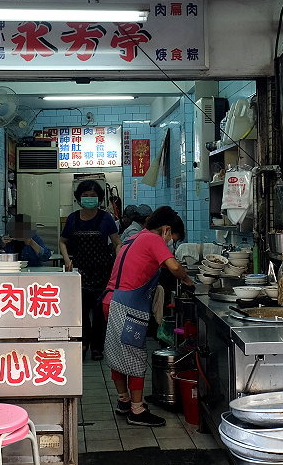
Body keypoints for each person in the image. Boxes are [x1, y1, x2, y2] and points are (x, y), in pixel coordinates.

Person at [102, 206, 195, 427]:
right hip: (128, 306)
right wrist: (189, 281)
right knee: (135, 356)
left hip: (110, 300)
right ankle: (137, 410)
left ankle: (124, 400)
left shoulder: (134, 238)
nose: (172, 243)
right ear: (166, 229)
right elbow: (174, 267)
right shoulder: (154, 241)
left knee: (118, 354)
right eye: (173, 238)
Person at [59, 180, 120, 360]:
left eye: (93, 196)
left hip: (103, 271)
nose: (89, 199)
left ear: (99, 198)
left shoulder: (106, 218)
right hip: (80, 272)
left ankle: (97, 347)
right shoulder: (73, 218)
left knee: (100, 311)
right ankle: (83, 342)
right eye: (85, 196)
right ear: (79, 198)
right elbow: (63, 242)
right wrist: (67, 258)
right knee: (81, 310)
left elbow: (117, 242)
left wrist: (118, 260)